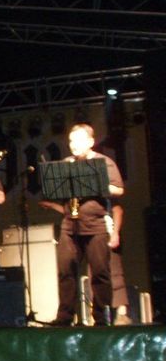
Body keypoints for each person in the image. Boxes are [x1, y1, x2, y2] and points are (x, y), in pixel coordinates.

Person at [40, 124, 124, 326]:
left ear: (90, 142)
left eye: (78, 140)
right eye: (71, 141)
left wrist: (96, 183)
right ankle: (65, 316)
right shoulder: (67, 163)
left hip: (96, 226)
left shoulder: (104, 162)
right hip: (70, 225)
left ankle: (101, 317)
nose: (73, 144)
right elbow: (56, 190)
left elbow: (119, 189)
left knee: (100, 273)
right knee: (65, 271)